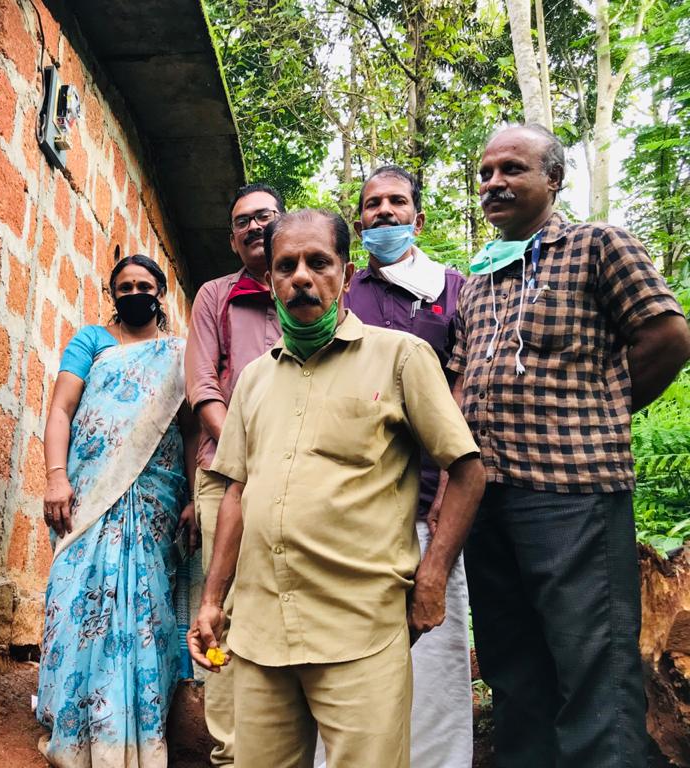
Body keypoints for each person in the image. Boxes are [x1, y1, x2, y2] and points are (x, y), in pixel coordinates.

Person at [188, 209, 485, 768]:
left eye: (318, 262)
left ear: (346, 275)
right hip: (260, 632)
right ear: (270, 281)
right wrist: (211, 601)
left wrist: (433, 577)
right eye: (286, 266)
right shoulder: (253, 380)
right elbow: (236, 494)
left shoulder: (400, 357)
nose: (301, 276)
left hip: (360, 628)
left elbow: (468, 469)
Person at [451, 124, 690, 767]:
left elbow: (668, 336)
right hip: (489, 498)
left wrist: (602, 410)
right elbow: (460, 375)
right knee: (511, 666)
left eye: (512, 169)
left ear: (553, 179)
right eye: (485, 172)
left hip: (573, 494)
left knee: (594, 669)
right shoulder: (479, 277)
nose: (494, 182)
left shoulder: (597, 246)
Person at [37, 254, 199, 767]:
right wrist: (56, 476)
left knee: (145, 606)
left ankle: (134, 729)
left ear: (160, 293)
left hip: (154, 500)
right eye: (124, 287)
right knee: (73, 595)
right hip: (89, 494)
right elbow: (61, 409)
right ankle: (71, 722)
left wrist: (195, 496)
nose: (134, 294)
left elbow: (191, 431)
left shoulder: (180, 353)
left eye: (143, 286)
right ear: (113, 294)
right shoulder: (91, 341)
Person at [342, 165, 472, 768]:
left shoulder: (455, 289)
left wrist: (448, 486)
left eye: (397, 202)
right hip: (358, 506)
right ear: (359, 222)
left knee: (435, 653)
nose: (385, 212)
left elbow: (466, 388)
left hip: (431, 505)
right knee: (348, 655)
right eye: (373, 204)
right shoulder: (344, 294)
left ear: (417, 219)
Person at [185, 182, 283, 766]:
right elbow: (202, 386)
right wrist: (246, 451)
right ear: (232, 239)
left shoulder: (311, 289)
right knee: (220, 605)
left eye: (264, 216)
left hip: (298, 474)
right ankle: (230, 752)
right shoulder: (215, 296)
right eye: (242, 221)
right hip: (225, 471)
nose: (254, 227)